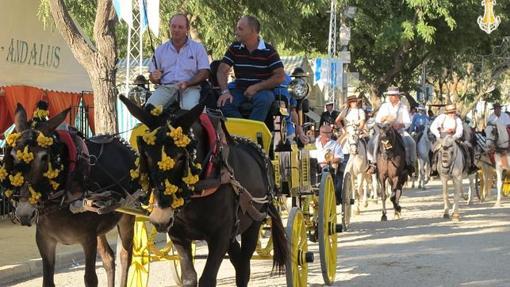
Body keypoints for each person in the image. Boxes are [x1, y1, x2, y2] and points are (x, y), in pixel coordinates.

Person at [216, 15, 285, 121]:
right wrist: (225, 92)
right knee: (223, 102)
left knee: (264, 99)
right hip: (239, 90)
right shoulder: (234, 48)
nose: (236, 31)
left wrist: (256, 87)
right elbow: (221, 70)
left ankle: (251, 132)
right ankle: (244, 132)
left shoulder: (269, 51)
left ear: (252, 31)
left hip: (262, 91)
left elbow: (280, 76)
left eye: (240, 28)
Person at [146, 14, 210, 111]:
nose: (176, 29)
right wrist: (154, 77)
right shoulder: (160, 50)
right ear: (169, 27)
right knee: (148, 109)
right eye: (173, 26)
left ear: (187, 29)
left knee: (192, 112)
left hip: (190, 88)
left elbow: (205, 72)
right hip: (166, 88)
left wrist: (188, 83)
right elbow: (152, 77)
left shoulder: (197, 48)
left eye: (180, 27)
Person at [367, 86, 416, 174]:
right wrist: (383, 119)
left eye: (393, 95)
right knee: (372, 142)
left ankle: (409, 163)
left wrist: (400, 125)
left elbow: (408, 122)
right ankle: (373, 163)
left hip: (399, 131)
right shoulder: (384, 106)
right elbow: (377, 120)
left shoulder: (403, 107)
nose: (391, 97)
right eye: (390, 95)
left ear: (398, 96)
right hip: (385, 132)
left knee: (411, 143)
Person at [429, 104, 477, 174]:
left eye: (453, 112)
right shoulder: (441, 117)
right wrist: (438, 134)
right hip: (442, 138)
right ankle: (433, 167)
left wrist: (454, 137)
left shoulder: (457, 119)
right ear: (447, 112)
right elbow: (432, 127)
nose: (452, 114)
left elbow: (460, 131)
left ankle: (470, 166)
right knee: (432, 149)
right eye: (451, 112)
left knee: (468, 146)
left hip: (454, 138)